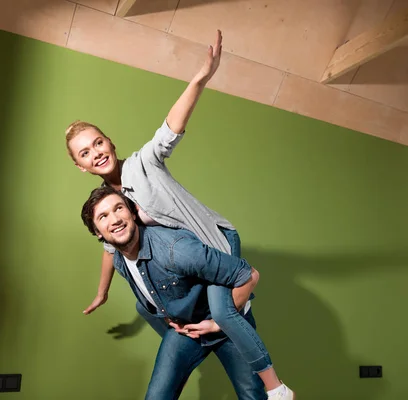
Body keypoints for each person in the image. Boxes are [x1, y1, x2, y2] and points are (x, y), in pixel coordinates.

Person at [66, 30, 294, 399]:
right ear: (80, 166)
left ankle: (278, 389)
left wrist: (200, 77)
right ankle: (199, 341)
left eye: (97, 142)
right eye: (84, 153)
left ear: (110, 142)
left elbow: (170, 127)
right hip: (191, 263)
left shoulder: (143, 164)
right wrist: (102, 292)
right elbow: (110, 250)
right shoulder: (107, 204)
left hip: (213, 240)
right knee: (161, 313)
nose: (95, 153)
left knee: (223, 312)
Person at [81, 186, 277, 399]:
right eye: (103, 216)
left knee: (252, 396)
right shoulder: (120, 261)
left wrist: (218, 323)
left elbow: (249, 275)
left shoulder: (176, 250)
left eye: (119, 208)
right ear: (98, 232)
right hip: (188, 329)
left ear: (133, 212)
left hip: (226, 324)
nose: (115, 219)